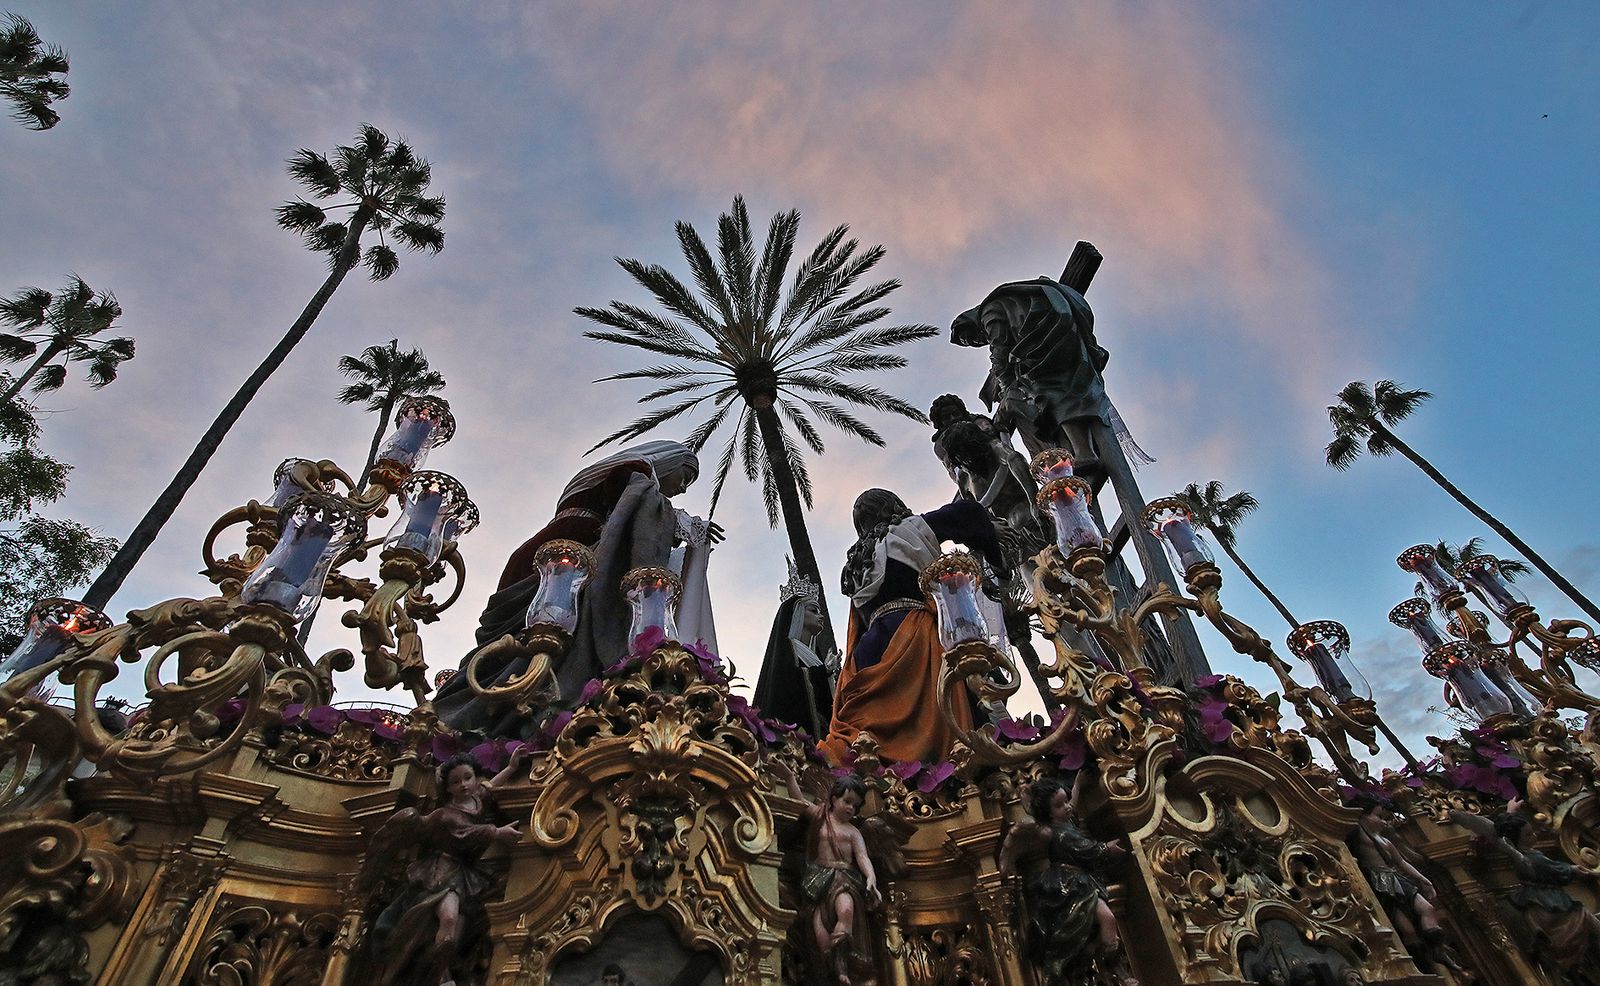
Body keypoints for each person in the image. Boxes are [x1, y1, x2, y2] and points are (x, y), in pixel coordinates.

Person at [434, 441, 717, 735]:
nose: (683, 488)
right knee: (556, 637)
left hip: (544, 554)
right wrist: (688, 525)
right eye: (684, 476)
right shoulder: (634, 470)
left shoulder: (614, 474)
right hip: (568, 556)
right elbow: (638, 509)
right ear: (668, 462)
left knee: (529, 639)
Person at [822, 489, 1006, 765]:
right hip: (913, 637)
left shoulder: (855, 564)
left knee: (871, 728)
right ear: (893, 505)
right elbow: (968, 513)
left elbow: (857, 623)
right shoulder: (910, 529)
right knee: (950, 708)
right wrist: (995, 556)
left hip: (869, 651)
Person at [371, 750, 529, 986]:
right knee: (449, 917)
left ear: (475, 778)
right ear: (448, 789)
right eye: (456, 782)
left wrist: (512, 767)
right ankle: (442, 977)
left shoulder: (476, 800)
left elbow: (489, 788)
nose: (463, 785)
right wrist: (497, 832)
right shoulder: (445, 815)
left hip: (462, 873)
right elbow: (464, 833)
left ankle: (441, 972)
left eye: (467, 778)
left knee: (455, 931)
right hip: (441, 872)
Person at [998, 774, 1138, 986]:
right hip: (1071, 887)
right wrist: (1106, 849)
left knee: (1100, 926)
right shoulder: (1058, 833)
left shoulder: (1067, 820)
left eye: (1064, 801)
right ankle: (1111, 964)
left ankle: (1111, 963)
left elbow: (1073, 803)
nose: (1067, 807)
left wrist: (1078, 784)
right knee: (1106, 919)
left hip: (1083, 883)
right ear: (1048, 812)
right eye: (1059, 805)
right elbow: (1086, 850)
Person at [773, 761, 879, 986]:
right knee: (819, 929)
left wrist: (871, 878)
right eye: (847, 801)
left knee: (846, 910)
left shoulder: (853, 832)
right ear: (833, 799)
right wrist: (789, 777)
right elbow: (800, 802)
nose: (850, 808)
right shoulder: (820, 816)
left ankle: (843, 962)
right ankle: (833, 969)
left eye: (855, 806)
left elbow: (862, 857)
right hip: (817, 880)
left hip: (844, 878)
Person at [753, 561, 837, 738]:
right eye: (813, 610)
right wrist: (823, 672)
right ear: (797, 614)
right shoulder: (786, 651)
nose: (820, 616)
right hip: (793, 736)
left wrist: (829, 675)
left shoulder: (814, 656)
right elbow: (786, 687)